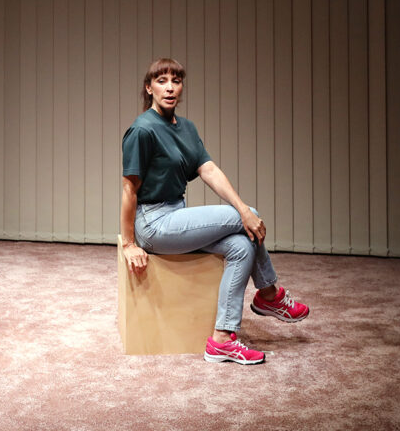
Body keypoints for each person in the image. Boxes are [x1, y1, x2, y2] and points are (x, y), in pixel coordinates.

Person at [120, 57, 310, 364]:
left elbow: (209, 170)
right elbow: (130, 189)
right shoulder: (142, 130)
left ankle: (222, 338)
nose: (170, 88)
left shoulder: (186, 128)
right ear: (149, 88)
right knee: (246, 214)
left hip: (176, 214)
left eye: (176, 81)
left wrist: (242, 208)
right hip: (154, 223)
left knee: (241, 244)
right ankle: (270, 294)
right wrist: (129, 244)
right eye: (162, 81)